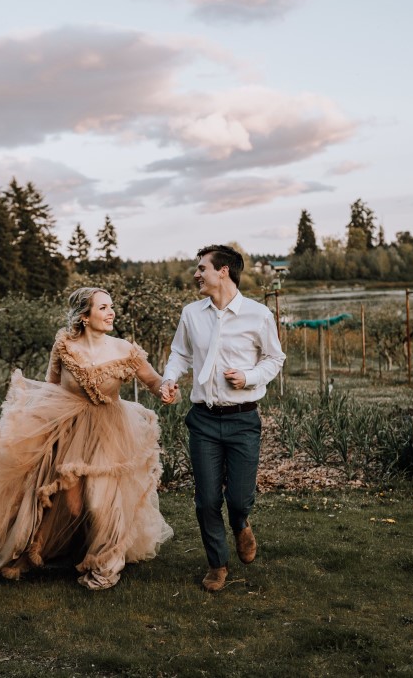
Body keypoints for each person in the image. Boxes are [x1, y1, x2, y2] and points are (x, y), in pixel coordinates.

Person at [0, 287, 179, 591]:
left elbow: (153, 379)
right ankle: (69, 551)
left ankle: (106, 567)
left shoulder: (124, 349)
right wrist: (36, 432)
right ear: (84, 316)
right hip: (69, 430)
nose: (111, 313)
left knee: (100, 502)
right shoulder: (64, 346)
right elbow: (51, 390)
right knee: (73, 505)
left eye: (111, 307)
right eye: (103, 308)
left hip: (110, 430)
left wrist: (165, 390)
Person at [160, 245, 285, 592]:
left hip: (243, 419)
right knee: (206, 500)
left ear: (223, 271)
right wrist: (170, 379)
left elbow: (275, 359)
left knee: (239, 498)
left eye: (202, 268)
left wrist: (249, 377)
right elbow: (179, 353)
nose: (196, 275)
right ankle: (217, 564)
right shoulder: (191, 314)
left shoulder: (258, 315)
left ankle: (242, 522)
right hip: (203, 419)